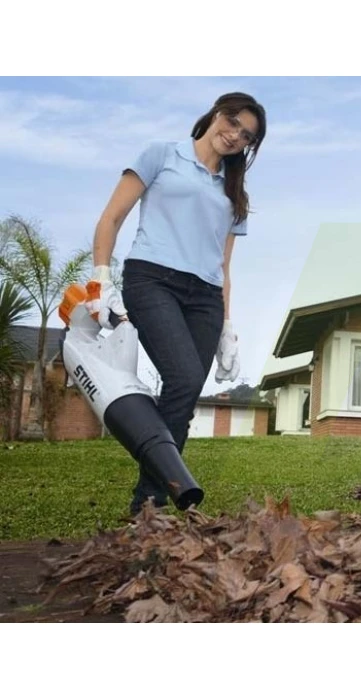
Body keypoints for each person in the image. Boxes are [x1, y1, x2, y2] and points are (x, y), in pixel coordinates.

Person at [89, 92, 267, 515]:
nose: (235, 135)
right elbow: (111, 217)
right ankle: (151, 503)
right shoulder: (161, 155)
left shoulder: (235, 193)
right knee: (185, 378)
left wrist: (227, 327)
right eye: (232, 121)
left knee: (183, 395)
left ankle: (149, 508)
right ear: (216, 113)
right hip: (153, 280)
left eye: (246, 135)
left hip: (205, 298)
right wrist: (100, 279)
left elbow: (224, 265)